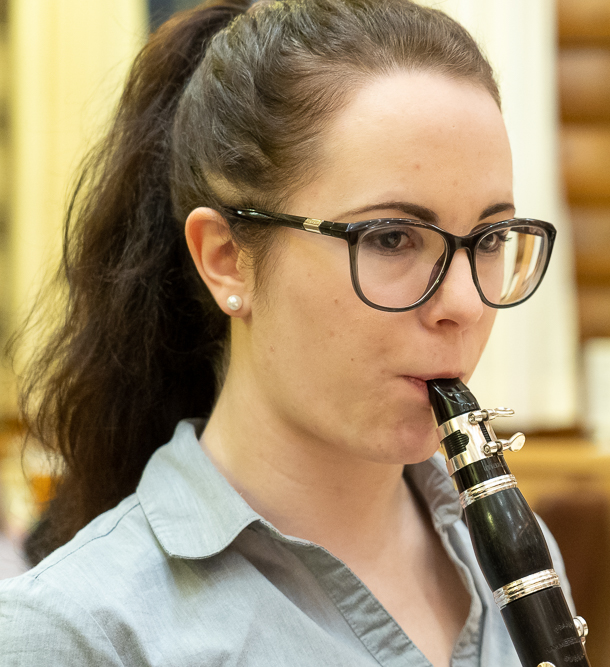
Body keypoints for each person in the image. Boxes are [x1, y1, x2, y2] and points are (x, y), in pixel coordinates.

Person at [0, 1, 569, 664]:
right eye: (391, 238)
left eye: (491, 238)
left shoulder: (514, 553)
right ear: (225, 258)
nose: (465, 304)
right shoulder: (74, 634)